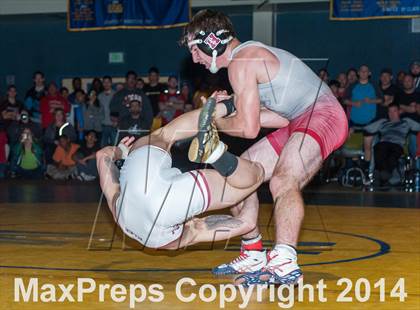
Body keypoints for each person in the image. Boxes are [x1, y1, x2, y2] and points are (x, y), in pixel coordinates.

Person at [181, 9, 348, 286]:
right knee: (237, 174)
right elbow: (277, 117)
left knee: (284, 178)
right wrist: (224, 116)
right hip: (298, 119)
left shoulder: (242, 62)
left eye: (195, 48)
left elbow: (248, 129)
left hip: (324, 114)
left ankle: (284, 261)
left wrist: (214, 121)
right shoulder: (245, 62)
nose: (194, 57)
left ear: (211, 42)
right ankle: (253, 250)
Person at [96, 98, 264, 249]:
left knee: (255, 176)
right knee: (164, 134)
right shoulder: (117, 211)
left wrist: (250, 191)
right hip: (138, 169)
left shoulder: (166, 242)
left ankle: (217, 154)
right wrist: (122, 150)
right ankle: (228, 104)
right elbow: (102, 155)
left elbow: (246, 223)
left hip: (167, 207)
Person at [364, 103, 420, 185]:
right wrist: (352, 128)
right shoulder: (383, 122)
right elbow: (366, 128)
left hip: (397, 145)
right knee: (378, 148)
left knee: (392, 154)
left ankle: (381, 173)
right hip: (383, 144)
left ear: (399, 112)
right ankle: (385, 174)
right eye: (390, 112)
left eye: (394, 111)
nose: (392, 114)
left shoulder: (406, 122)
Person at [98, 76, 116, 146]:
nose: (106, 84)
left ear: (111, 83)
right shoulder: (99, 96)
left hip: (113, 125)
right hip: (103, 125)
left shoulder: (116, 95)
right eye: (104, 82)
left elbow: (119, 109)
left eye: (108, 82)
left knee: (114, 146)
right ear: (102, 84)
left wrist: (117, 121)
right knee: (103, 146)